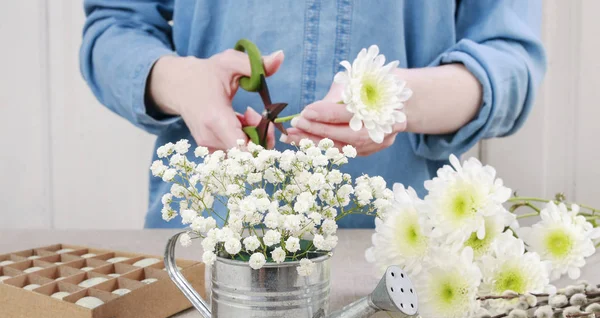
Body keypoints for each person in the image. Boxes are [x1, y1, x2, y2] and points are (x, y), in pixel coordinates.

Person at [80, 0, 546, 228]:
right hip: (204, 239)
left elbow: (509, 59)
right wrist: (182, 84)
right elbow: (116, 24)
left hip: (397, 252)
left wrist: (394, 101)